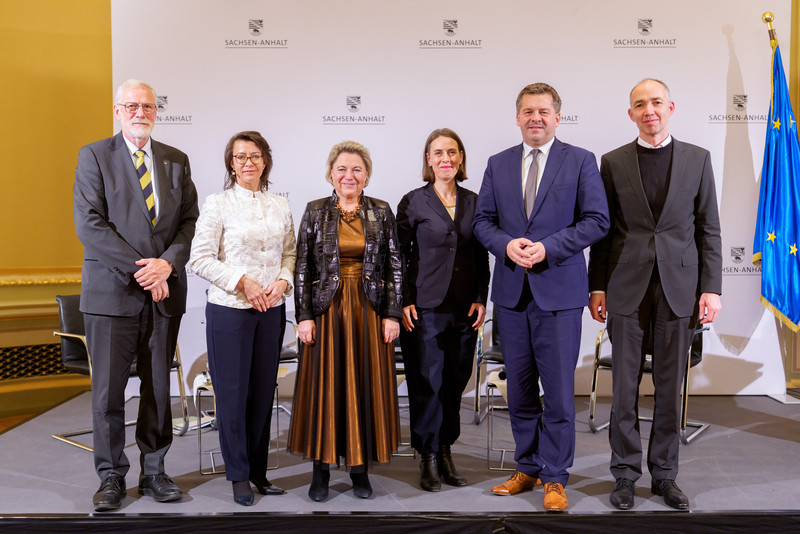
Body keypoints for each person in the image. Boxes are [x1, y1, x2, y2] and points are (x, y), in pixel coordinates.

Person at [473, 82, 609, 511]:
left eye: (544, 111)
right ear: (517, 117)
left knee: (559, 394)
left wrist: (549, 247)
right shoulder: (498, 163)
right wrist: (506, 245)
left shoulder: (581, 160)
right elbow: (482, 221)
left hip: (559, 295)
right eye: (528, 111)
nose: (536, 118)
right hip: (513, 295)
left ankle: (555, 477)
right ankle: (527, 468)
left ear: (557, 118)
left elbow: (597, 220)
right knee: (519, 392)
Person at [588, 79, 722, 511]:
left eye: (656, 102)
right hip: (626, 289)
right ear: (631, 113)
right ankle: (625, 475)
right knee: (624, 389)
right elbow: (603, 232)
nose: (649, 110)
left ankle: (665, 476)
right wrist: (597, 285)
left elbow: (709, 228)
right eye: (640, 104)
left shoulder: (698, 159)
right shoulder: (613, 162)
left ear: (671, 107)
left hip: (679, 290)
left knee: (669, 388)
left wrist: (711, 288)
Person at [73, 79, 199, 512]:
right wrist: (145, 271)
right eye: (131, 106)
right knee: (108, 395)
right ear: (117, 111)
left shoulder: (176, 160)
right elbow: (90, 224)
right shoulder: (94, 156)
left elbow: (189, 222)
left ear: (156, 112)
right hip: (112, 295)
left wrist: (168, 264)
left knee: (158, 390)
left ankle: (155, 472)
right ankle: (111, 477)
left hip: (165, 294)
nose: (140, 112)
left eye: (147, 106)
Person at [287, 140, 403, 502]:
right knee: (325, 388)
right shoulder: (315, 211)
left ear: (366, 175)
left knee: (364, 387)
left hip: (369, 311)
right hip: (327, 311)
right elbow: (303, 266)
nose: (348, 175)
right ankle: (320, 471)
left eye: (356, 169)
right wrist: (304, 316)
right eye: (342, 169)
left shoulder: (381, 211)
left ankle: (359, 470)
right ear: (330, 174)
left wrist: (392, 314)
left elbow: (395, 265)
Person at [189, 131, 296, 506]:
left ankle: (258, 472)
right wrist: (243, 282)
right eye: (240, 157)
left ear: (265, 161)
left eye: (254, 156)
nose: (248, 162)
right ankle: (237, 475)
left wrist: (283, 281)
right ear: (231, 164)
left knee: (263, 393)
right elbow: (199, 258)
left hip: (271, 310)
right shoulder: (217, 203)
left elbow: (290, 254)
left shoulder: (280, 205)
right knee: (233, 395)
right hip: (229, 311)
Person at [396, 128, 489, 491]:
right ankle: (428, 455)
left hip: (464, 308)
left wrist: (481, 296)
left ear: (460, 157)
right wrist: (404, 300)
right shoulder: (413, 201)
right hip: (424, 308)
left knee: (454, 381)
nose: (445, 158)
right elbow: (398, 256)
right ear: (429, 160)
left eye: (452, 152)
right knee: (427, 382)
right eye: (438, 152)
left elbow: (481, 254)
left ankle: (446, 450)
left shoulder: (475, 201)